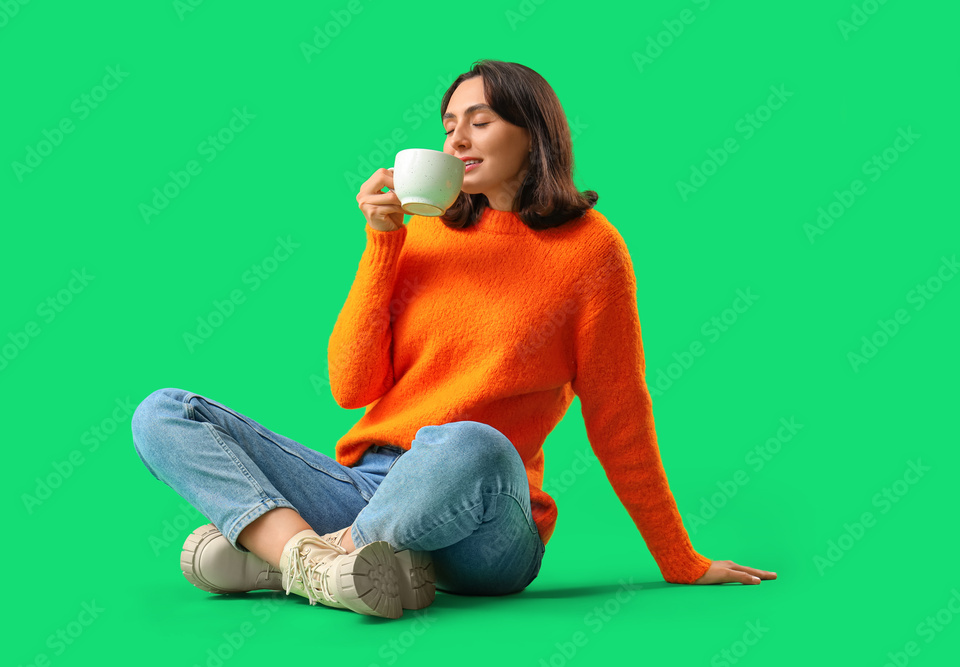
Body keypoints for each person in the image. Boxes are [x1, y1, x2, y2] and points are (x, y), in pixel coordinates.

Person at [131, 59, 777, 621]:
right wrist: (383, 243)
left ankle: (286, 561)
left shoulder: (591, 251)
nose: (456, 137)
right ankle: (329, 566)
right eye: (448, 124)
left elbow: (619, 416)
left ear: (535, 132)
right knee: (163, 411)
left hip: (488, 515)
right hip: (373, 484)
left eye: (480, 120)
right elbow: (352, 386)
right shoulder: (423, 234)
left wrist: (679, 557)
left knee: (470, 437)